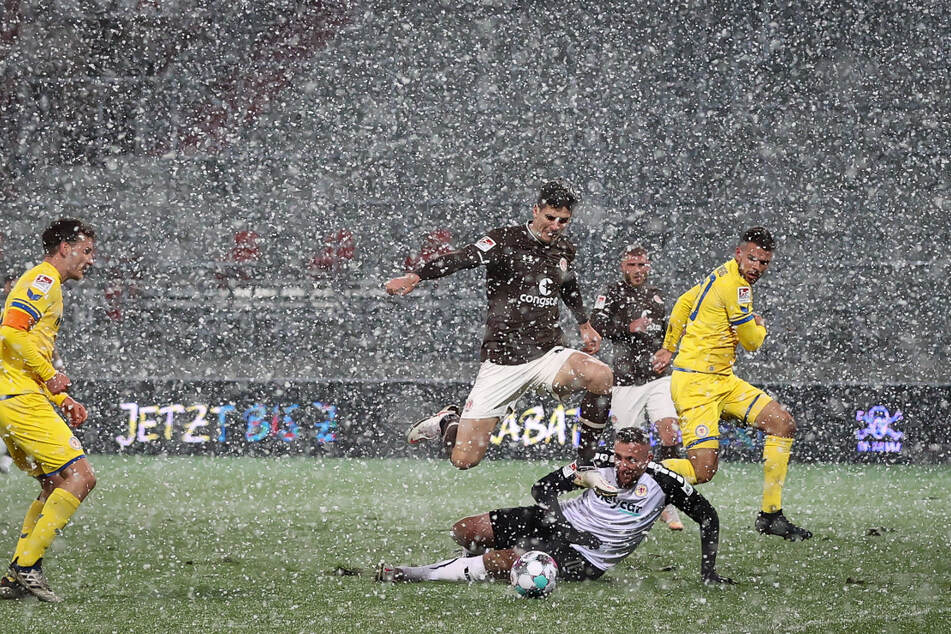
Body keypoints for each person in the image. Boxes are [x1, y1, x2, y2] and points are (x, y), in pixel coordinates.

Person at [384, 179, 617, 495]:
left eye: (563, 220)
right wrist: (417, 276)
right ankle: (447, 422)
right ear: (536, 210)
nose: (556, 225)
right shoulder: (504, 240)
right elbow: (460, 258)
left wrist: (584, 323)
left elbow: (568, 283)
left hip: (548, 353)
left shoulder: (564, 248)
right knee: (464, 460)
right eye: (550, 217)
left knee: (601, 376)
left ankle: (584, 466)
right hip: (504, 360)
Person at [376, 427, 733, 586]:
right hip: (561, 522)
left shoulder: (665, 481)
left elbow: (709, 518)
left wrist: (708, 571)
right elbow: (543, 487)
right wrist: (558, 522)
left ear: (648, 458)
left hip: (589, 555)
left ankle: (418, 574)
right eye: (621, 458)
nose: (625, 466)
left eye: (634, 461)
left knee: (508, 560)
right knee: (465, 530)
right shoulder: (598, 462)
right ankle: (485, 564)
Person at [651, 227, 811, 541]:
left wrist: (669, 346)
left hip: (722, 381)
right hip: (696, 384)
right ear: (739, 253)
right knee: (702, 471)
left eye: (764, 262)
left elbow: (684, 302)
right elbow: (751, 342)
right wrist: (761, 327)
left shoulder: (721, 273)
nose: (757, 267)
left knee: (782, 424)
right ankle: (632, 473)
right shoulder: (736, 287)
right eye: (752, 258)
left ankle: (771, 515)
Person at [0, 219, 98, 602]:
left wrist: (62, 399)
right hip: (19, 397)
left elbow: (26, 349)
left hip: (17, 396)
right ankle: (26, 567)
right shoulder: (43, 281)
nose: (90, 260)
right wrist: (50, 374)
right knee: (80, 477)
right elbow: (10, 333)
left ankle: (14, 577)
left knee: (55, 483)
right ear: (63, 247)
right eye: (86, 251)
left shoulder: (48, 284)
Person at [590, 245, 684, 531]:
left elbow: (671, 329)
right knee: (627, 450)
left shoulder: (657, 295)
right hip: (626, 380)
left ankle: (667, 502)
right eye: (631, 265)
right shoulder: (612, 292)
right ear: (623, 267)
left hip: (657, 378)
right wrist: (627, 327)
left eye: (641, 265)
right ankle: (624, 503)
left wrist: (668, 352)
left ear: (648, 266)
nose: (637, 270)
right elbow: (597, 322)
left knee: (670, 431)